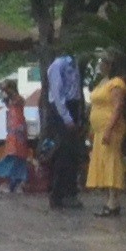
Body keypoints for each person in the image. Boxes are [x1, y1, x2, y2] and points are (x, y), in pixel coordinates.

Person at [41, 46, 88, 212]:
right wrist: (66, 117)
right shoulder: (57, 65)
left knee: (72, 153)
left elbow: (77, 90)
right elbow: (57, 93)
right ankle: (58, 193)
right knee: (64, 152)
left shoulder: (74, 63)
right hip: (62, 109)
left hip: (73, 106)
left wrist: (80, 115)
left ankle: (70, 190)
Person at [83, 60, 126, 214]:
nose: (100, 66)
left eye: (104, 62)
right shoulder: (103, 82)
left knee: (111, 161)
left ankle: (113, 202)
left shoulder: (116, 83)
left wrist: (109, 129)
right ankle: (109, 200)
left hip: (110, 128)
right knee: (103, 162)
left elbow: (118, 107)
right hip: (99, 130)